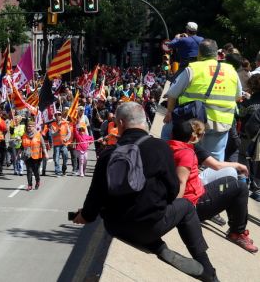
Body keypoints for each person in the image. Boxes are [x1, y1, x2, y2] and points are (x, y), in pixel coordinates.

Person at [73, 103, 218, 282]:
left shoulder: (108, 153)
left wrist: (83, 215)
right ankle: (208, 270)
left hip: (115, 226)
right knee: (187, 207)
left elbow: (94, 197)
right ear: (145, 121)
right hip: (149, 226)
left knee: (136, 221)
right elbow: (173, 191)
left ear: (120, 123)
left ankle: (158, 246)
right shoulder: (160, 147)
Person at [168, 119, 257, 252]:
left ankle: (236, 227)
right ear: (194, 136)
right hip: (191, 205)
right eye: (203, 134)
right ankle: (237, 232)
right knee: (240, 187)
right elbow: (181, 183)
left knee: (231, 176)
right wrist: (174, 213)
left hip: (191, 193)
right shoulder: (187, 153)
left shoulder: (167, 145)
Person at [164, 39, 241, 161]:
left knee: (184, 153)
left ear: (199, 53)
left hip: (195, 121)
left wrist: (169, 112)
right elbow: (238, 96)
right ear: (217, 54)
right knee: (215, 161)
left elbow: (173, 94)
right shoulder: (231, 71)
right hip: (222, 122)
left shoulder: (193, 69)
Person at [21, 121, 43, 191]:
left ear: (34, 127)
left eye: (31, 126)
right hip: (27, 156)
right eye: (28, 126)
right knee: (29, 171)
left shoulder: (38, 135)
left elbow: (43, 145)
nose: (29, 127)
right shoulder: (24, 135)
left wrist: (46, 153)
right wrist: (18, 153)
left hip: (37, 156)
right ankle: (29, 185)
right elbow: (22, 146)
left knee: (36, 171)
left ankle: (38, 181)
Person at [49, 111, 72, 176]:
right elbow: (52, 134)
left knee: (65, 156)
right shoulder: (52, 124)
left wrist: (67, 138)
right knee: (56, 159)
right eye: (56, 115)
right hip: (56, 145)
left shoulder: (65, 123)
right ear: (55, 116)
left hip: (64, 144)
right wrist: (57, 132)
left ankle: (64, 167)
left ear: (61, 116)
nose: (58, 116)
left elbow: (69, 133)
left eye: (59, 115)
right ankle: (57, 172)